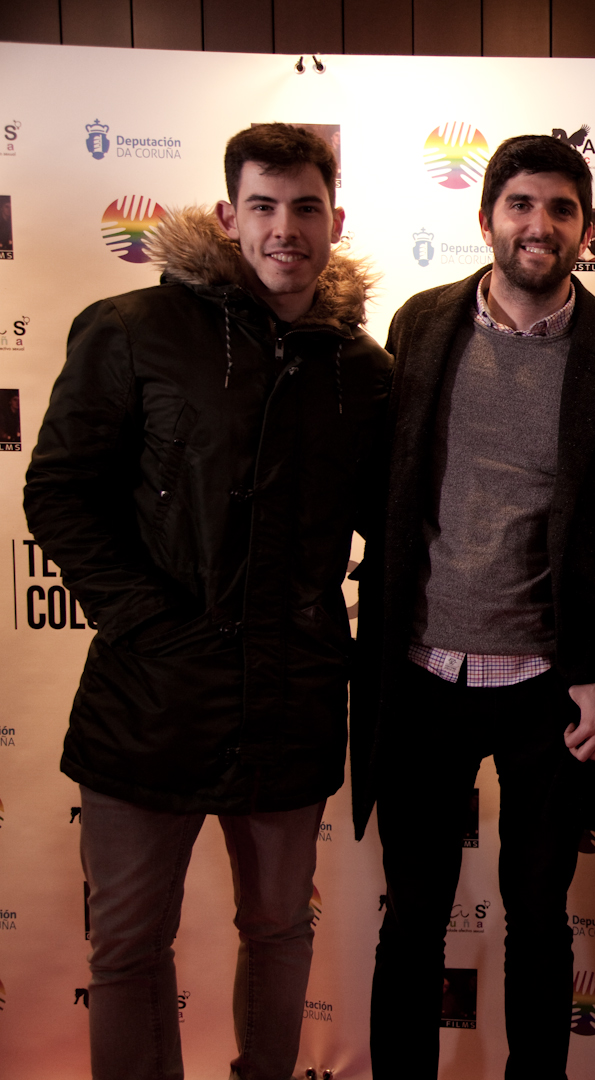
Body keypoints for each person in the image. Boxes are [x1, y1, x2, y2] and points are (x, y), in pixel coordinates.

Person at [23, 123, 390, 1080]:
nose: (285, 229)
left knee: (278, 929)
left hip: (291, 698)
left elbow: (397, 521)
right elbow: (58, 491)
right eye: (263, 206)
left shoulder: (361, 369)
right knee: (128, 942)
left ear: (335, 220)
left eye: (305, 208)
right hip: (148, 698)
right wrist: (147, 621)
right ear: (229, 217)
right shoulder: (133, 328)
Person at [353, 134, 595, 1078]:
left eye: (562, 209)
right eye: (521, 205)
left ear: (587, 228)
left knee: (540, 918)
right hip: (421, 675)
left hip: (553, 688)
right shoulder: (419, 325)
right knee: (413, 918)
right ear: (486, 216)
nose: (540, 225)